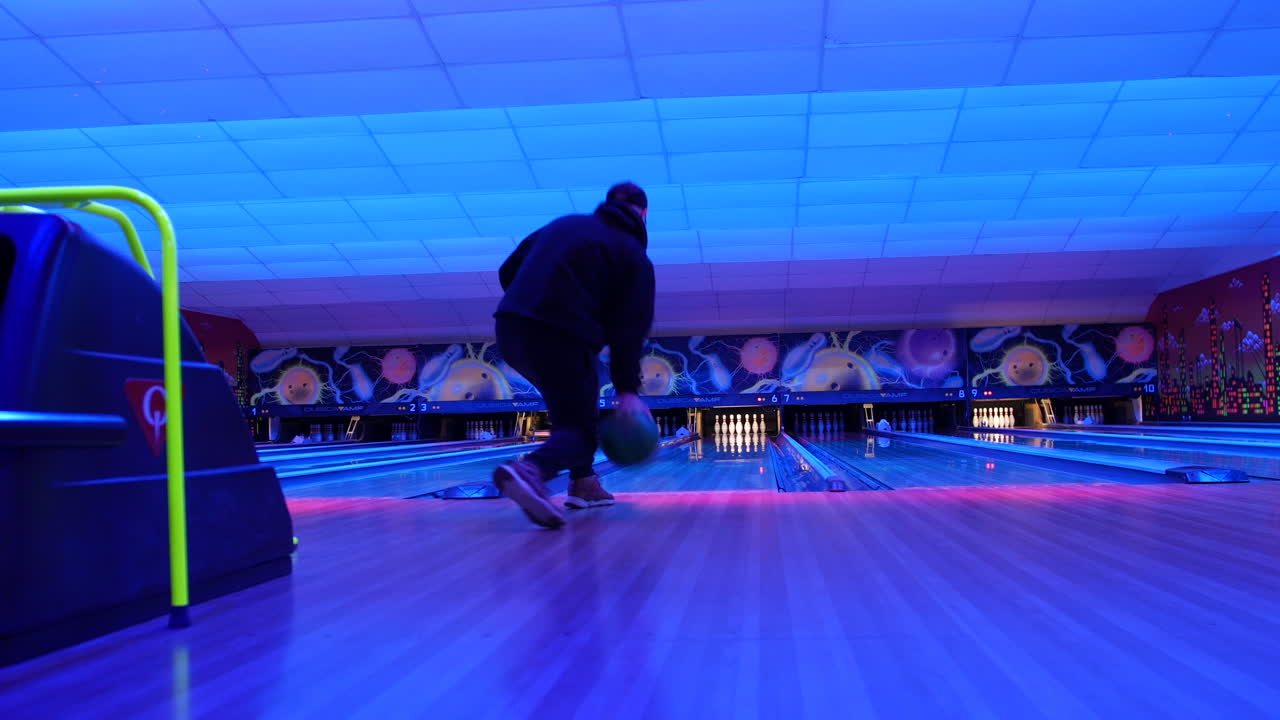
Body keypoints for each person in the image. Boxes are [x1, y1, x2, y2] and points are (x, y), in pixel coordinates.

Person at [491, 182, 655, 529]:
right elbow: (629, 331)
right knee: (581, 430)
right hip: (562, 335)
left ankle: (584, 483)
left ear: (607, 203)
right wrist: (628, 391)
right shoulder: (632, 254)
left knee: (573, 410)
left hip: (511, 328)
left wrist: (531, 299)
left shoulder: (563, 225)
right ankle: (531, 471)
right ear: (643, 213)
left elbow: (508, 270)